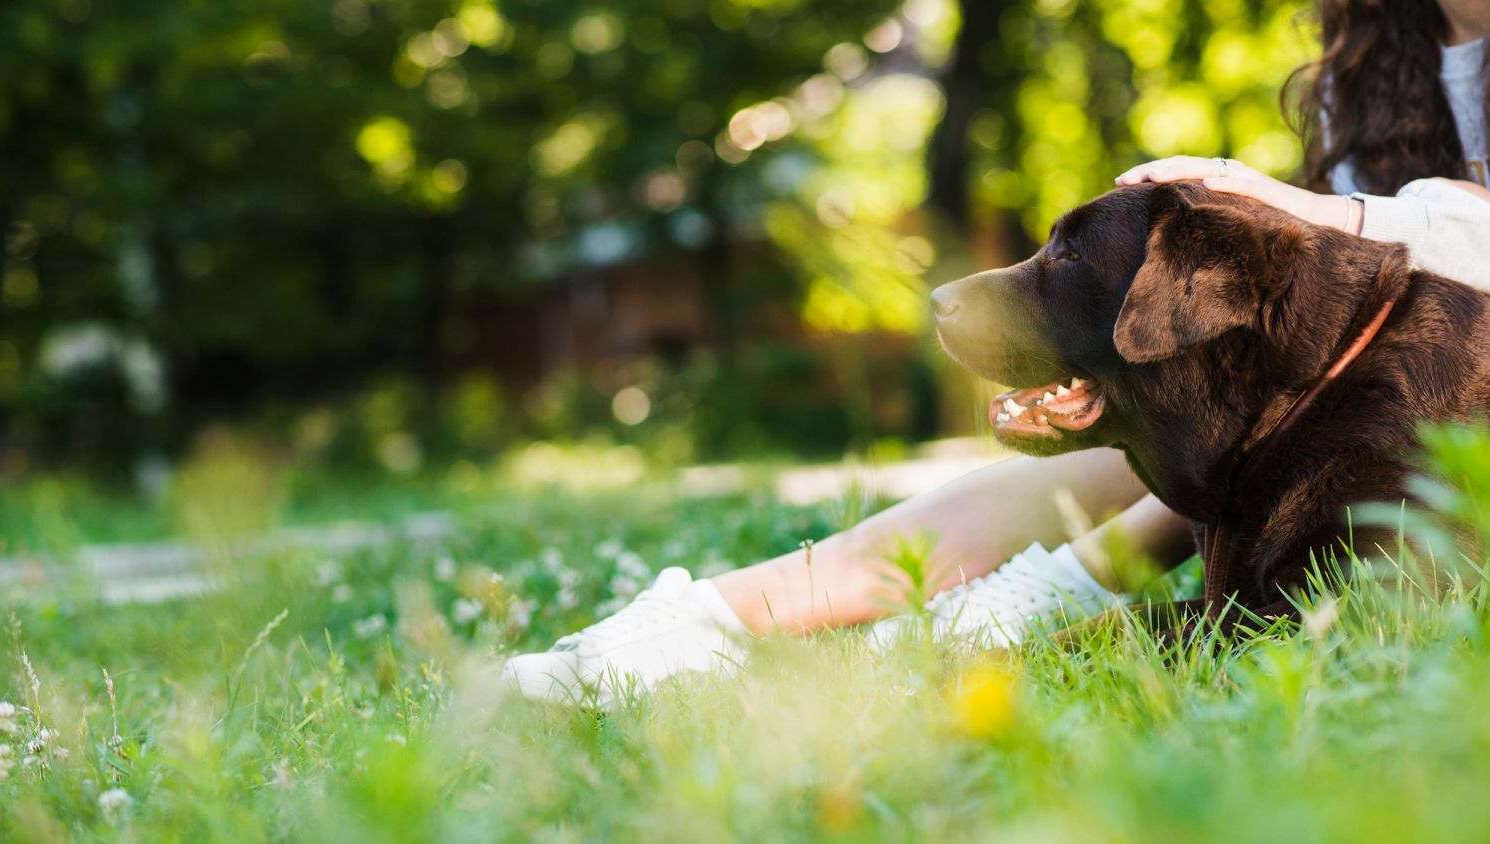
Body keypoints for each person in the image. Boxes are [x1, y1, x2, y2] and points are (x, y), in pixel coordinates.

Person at [504, 0, 1490, 707]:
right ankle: (709, 620)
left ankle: (1019, 605)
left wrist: (1295, 205)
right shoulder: (1369, 60)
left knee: (1211, 437)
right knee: (1164, 413)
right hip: (1385, 405)